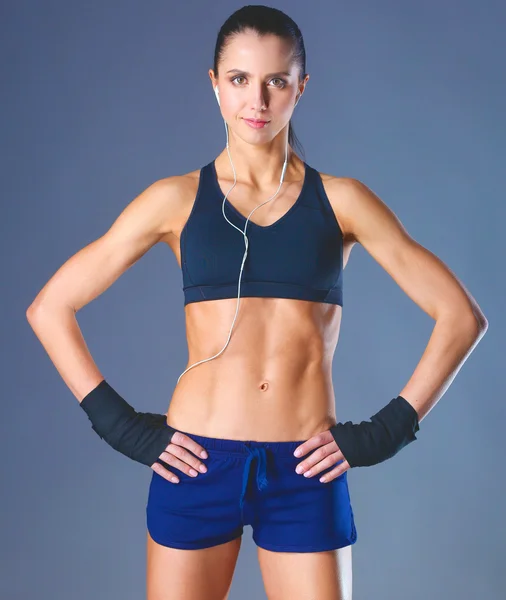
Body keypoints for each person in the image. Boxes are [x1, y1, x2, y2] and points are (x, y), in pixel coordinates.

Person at [26, 5, 488, 600]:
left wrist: (387, 431)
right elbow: (50, 308)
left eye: (276, 80)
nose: (258, 100)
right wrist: (121, 429)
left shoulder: (343, 202)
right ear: (214, 84)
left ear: (302, 87)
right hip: (196, 462)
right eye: (240, 79)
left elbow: (461, 317)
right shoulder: (175, 200)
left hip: (304, 467)